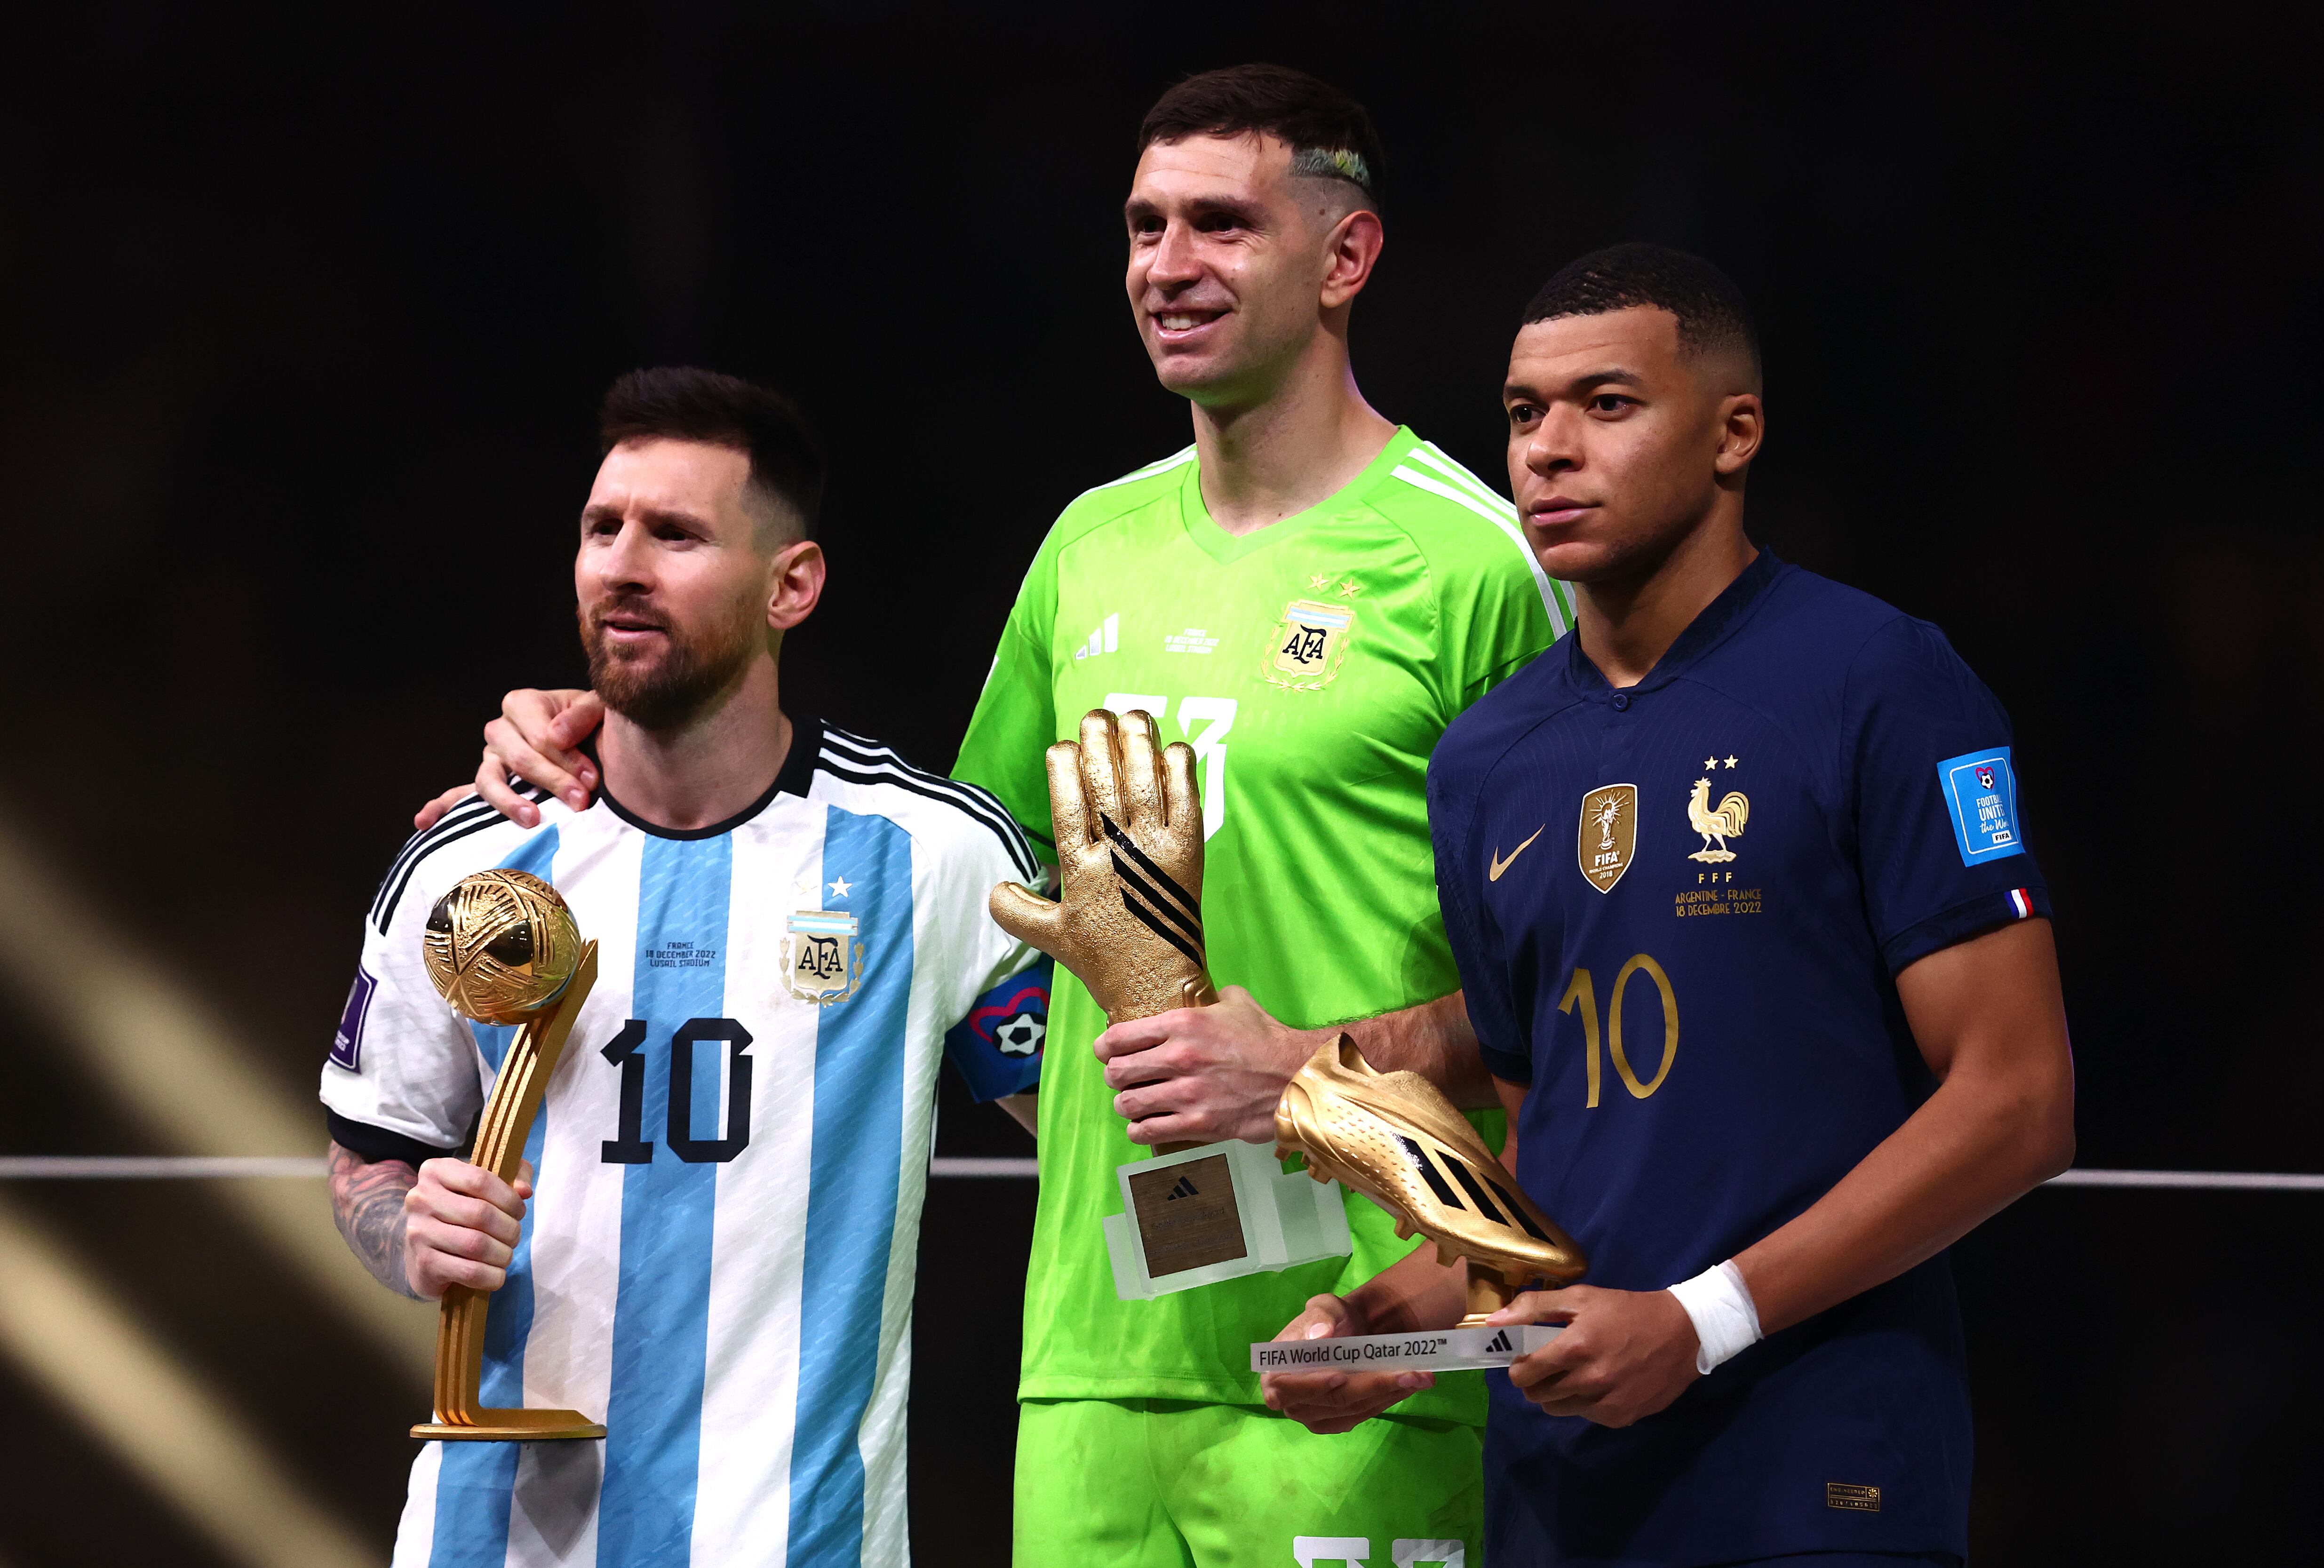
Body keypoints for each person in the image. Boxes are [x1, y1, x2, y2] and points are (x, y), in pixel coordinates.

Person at [430, 64, 1570, 1568]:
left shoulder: (1476, 563)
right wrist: (611, 717)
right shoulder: (1087, 553)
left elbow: (1576, 997)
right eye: (1144, 225)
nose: (1167, 266)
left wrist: (1301, 1080)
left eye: (1220, 224)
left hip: (1366, 1351)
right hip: (1094, 1362)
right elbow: (955, 905)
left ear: (1345, 259)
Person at [1260, 244, 2077, 1567]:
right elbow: (1554, 1168)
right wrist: (1389, 1324)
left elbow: (2021, 1099)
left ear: (1733, 434)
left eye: (1607, 403)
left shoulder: (1881, 682)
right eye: (1525, 413)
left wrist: (1703, 1319)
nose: (1548, 450)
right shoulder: (1485, 759)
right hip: (1562, 1492)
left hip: (1818, 1477)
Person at [324, 367, 1047, 1568]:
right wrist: (406, 1230)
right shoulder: (470, 856)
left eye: (675, 533)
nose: (622, 563)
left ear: (792, 585)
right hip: (488, 1539)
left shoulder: (933, 858)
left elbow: (1086, 1134)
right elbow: (367, 1153)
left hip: (798, 1538)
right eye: (603, 527)